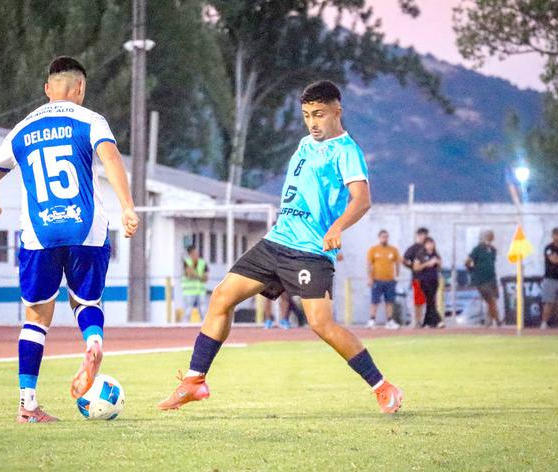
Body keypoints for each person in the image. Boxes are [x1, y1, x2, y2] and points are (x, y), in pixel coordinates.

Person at [157, 80, 403, 414]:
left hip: (310, 250)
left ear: (337, 111)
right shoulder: (304, 144)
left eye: (319, 114)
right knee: (221, 297)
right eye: (307, 115)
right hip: (277, 241)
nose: (312, 122)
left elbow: (362, 200)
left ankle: (382, 387)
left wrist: (337, 227)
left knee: (321, 324)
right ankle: (194, 381)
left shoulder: (347, 151)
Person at [0, 56, 139, 423]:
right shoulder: (90, 120)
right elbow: (111, 157)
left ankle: (28, 405)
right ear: (80, 88)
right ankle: (94, 342)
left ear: (47, 89)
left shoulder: (21, 130)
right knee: (86, 301)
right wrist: (127, 207)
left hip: (40, 233)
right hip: (86, 228)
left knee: (36, 317)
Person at [465, 230, 501, 327]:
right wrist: (472, 269)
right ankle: (498, 320)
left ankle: (489, 321)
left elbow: (492, 262)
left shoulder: (493, 250)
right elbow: (468, 261)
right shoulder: (477, 249)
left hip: (492, 278)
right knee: (491, 299)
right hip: (481, 280)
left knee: (492, 300)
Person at [367, 229, 401, 329]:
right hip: (377, 280)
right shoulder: (373, 249)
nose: (384, 239)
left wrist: (397, 276)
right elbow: (369, 265)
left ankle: (389, 321)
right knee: (375, 301)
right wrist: (370, 278)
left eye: (386, 237)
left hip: (390, 280)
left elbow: (397, 263)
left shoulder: (393, 250)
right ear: (379, 238)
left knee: (389, 301)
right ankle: (372, 320)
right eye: (383, 237)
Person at [413, 237, 444, 328]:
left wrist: (438, 262)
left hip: (434, 279)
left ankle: (428, 321)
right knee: (430, 300)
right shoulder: (421, 255)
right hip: (424, 280)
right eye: (428, 244)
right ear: (425, 245)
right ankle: (438, 320)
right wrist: (427, 264)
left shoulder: (436, 254)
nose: (430, 245)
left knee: (431, 301)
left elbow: (440, 267)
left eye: (432, 243)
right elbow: (416, 268)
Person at [402, 227, 428, 327]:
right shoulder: (413, 248)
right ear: (418, 236)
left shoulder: (429, 247)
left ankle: (425, 321)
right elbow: (404, 259)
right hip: (417, 278)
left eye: (425, 235)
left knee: (428, 301)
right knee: (417, 301)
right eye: (421, 235)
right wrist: (412, 266)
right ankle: (417, 321)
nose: (423, 237)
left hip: (428, 279)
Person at [182, 246, 209, 322]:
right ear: (190, 254)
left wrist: (196, 275)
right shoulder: (187, 262)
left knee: (203, 310)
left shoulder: (202, 263)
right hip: (189, 291)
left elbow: (205, 278)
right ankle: (184, 325)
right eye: (193, 253)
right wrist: (200, 277)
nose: (196, 254)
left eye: (196, 253)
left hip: (201, 291)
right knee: (187, 310)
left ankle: (205, 326)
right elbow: (189, 274)